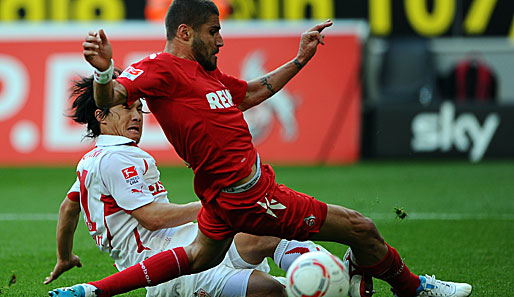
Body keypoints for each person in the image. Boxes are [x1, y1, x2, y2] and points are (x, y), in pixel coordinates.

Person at [51, 0, 472, 296]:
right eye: (213, 31)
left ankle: (92, 291)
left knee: (198, 256)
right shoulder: (160, 68)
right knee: (359, 227)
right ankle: (413, 288)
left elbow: (252, 91)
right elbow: (110, 98)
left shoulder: (207, 76)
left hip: (223, 196)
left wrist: (300, 58)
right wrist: (105, 71)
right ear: (185, 31)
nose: (221, 40)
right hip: (248, 194)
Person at [46, 73, 351, 297]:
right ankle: (327, 282)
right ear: (101, 116)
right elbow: (153, 217)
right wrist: (213, 208)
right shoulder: (116, 159)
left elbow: (68, 208)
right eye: (127, 108)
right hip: (169, 269)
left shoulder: (95, 160)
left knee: (266, 232)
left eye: (139, 108)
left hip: (185, 241)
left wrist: (65, 256)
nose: (137, 116)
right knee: (270, 291)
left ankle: (334, 274)